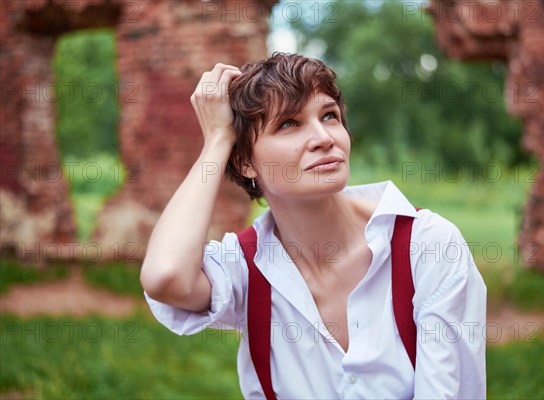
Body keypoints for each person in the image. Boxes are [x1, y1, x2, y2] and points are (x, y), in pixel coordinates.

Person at [141, 52, 487, 399]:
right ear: (246, 161)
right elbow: (166, 276)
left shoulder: (427, 246)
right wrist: (217, 141)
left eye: (329, 116)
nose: (324, 137)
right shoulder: (245, 269)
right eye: (289, 123)